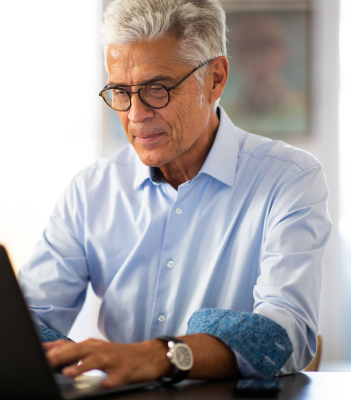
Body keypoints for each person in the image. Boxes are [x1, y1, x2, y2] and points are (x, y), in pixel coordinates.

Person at [18, 0, 331, 389]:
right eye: (121, 91)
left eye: (157, 89)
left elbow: (285, 333)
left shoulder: (289, 179)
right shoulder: (90, 191)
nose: (135, 115)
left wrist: (158, 356)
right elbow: (24, 321)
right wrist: (78, 359)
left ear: (215, 78)